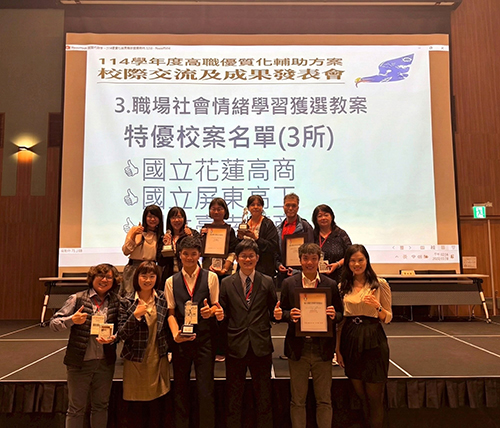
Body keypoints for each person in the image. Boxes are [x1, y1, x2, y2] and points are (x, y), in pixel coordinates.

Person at [278, 243, 343, 428]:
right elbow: (282, 312)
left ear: (318, 260)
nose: (309, 263)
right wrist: (289, 315)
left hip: (322, 348)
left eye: (314, 259)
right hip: (298, 348)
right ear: (300, 260)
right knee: (298, 400)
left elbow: (340, 314)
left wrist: (334, 315)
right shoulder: (289, 283)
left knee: (324, 400)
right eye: (305, 259)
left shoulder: (330, 284)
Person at [49, 263, 121, 428]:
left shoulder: (117, 301)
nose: (104, 280)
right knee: (76, 409)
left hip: (105, 363)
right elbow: (53, 323)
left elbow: (121, 328)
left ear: (114, 281)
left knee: (101, 406)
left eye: (108, 277)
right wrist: (71, 320)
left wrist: (114, 337)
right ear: (92, 278)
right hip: (79, 363)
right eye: (100, 276)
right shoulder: (77, 298)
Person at [165, 236, 224, 428]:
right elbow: (171, 313)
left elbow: (216, 307)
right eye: (185, 254)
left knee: (205, 389)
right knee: (180, 389)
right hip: (181, 341)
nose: (189, 258)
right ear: (179, 255)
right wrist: (176, 335)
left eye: (193, 254)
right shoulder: (171, 281)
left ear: (199, 255)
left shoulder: (211, 277)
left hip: (205, 340)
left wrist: (211, 312)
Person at [219, 239, 278, 428]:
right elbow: (223, 313)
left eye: (251, 256)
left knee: (264, 397)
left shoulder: (267, 281)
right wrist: (219, 315)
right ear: (237, 258)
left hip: (260, 345)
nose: (247, 259)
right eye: (243, 256)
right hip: (236, 345)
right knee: (233, 397)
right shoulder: (226, 283)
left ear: (257, 258)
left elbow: (273, 312)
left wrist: (277, 315)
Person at [336, 244, 392, 428]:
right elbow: (341, 322)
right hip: (350, 339)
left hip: (373, 339)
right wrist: (338, 350)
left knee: (374, 398)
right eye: (352, 260)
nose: (357, 264)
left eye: (360, 260)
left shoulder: (380, 284)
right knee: (360, 396)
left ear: (367, 260)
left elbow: (388, 318)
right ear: (347, 263)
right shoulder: (343, 286)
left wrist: (377, 306)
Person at [117, 261, 170, 428]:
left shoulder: (162, 298)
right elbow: (121, 334)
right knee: (136, 406)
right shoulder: (126, 301)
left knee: (157, 405)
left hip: (158, 358)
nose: (148, 280)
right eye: (144, 276)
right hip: (136, 360)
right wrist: (135, 316)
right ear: (137, 277)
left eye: (152, 276)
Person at [121, 204, 164, 295]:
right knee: (130, 296)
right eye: (150, 216)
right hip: (134, 268)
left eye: (155, 217)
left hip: (151, 270)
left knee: (148, 296)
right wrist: (134, 235)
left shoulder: (160, 236)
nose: (152, 219)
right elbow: (126, 251)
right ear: (145, 217)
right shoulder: (135, 230)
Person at [275, 193, 314, 288]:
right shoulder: (278, 229)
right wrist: (278, 265)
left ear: (298, 208)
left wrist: (298, 271)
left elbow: (311, 250)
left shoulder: (305, 227)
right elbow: (275, 251)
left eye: (293, 206)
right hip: (282, 275)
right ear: (283, 207)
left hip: (301, 275)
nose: (290, 208)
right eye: (287, 205)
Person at [237, 194, 280, 278]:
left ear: (262, 207)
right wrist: (240, 238)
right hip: (245, 266)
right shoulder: (246, 223)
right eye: (252, 205)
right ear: (248, 208)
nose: (255, 207)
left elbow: (273, 246)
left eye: (258, 205)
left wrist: (256, 238)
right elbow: (238, 247)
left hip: (263, 267)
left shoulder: (268, 224)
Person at [158, 206, 200, 287]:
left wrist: (190, 236)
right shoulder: (165, 237)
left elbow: (199, 250)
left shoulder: (192, 233)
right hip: (169, 275)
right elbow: (160, 261)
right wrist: (167, 247)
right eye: (173, 218)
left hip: (190, 274)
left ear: (184, 219)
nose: (176, 220)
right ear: (169, 220)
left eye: (179, 217)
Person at [312, 204, 352, 284]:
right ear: (315, 219)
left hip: (339, 277)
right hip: (317, 278)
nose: (323, 218)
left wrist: (337, 264)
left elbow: (351, 254)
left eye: (326, 215)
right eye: (320, 216)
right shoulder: (312, 235)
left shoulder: (340, 234)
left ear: (332, 217)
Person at [201, 197, 239, 278]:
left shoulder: (230, 230)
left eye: (219, 209)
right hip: (207, 270)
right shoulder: (205, 229)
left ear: (225, 211)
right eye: (213, 209)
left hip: (225, 272)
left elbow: (232, 252)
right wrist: (201, 237)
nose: (216, 212)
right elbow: (199, 250)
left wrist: (225, 269)